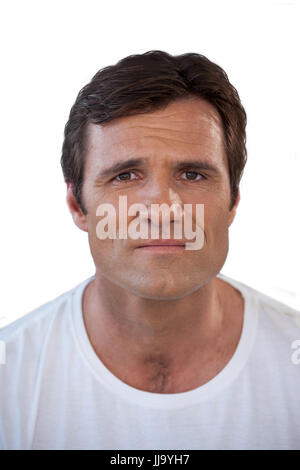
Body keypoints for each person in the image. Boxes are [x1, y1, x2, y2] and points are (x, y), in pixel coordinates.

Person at [0, 50, 300, 451]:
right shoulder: (9, 380)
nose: (163, 210)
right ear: (77, 206)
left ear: (232, 202)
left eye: (192, 174)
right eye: (125, 175)